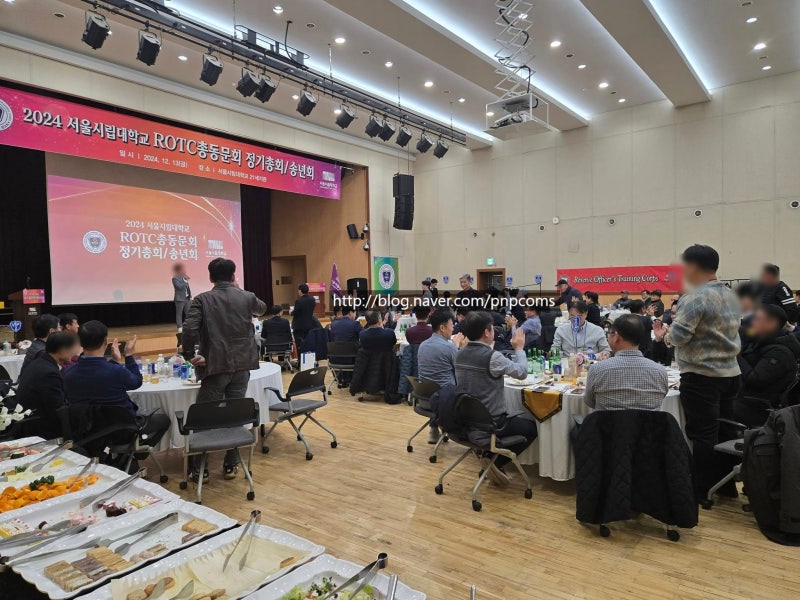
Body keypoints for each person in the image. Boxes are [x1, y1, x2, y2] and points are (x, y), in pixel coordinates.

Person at [653, 244, 741, 502]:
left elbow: (679, 336)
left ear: (692, 266)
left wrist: (665, 336)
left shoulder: (694, 297)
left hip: (702, 376)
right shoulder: (731, 295)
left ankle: (702, 490)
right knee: (726, 431)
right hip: (731, 373)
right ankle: (725, 487)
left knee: (703, 435)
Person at [181, 258, 267, 481]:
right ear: (233, 275)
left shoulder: (202, 299)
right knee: (235, 414)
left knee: (204, 417)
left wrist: (189, 355)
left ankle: (199, 468)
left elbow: (189, 329)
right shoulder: (246, 297)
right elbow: (262, 308)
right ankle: (231, 464)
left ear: (210, 277)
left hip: (215, 365)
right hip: (242, 365)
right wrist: (240, 290)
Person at [64, 321, 170, 458]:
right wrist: (129, 355)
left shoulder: (68, 373)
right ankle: (134, 455)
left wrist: (114, 362)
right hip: (121, 432)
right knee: (163, 420)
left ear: (80, 343)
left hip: (86, 433)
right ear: (105, 342)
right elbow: (136, 382)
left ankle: (125, 457)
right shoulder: (115, 371)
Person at [455, 311, 537, 486]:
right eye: (492, 328)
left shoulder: (459, 353)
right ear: (487, 332)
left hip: (466, 419)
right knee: (532, 428)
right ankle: (496, 461)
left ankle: (489, 457)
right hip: (493, 421)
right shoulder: (493, 357)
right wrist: (519, 349)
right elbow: (522, 372)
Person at [583, 315, 669, 411]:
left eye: (610, 334)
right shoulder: (660, 372)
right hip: (648, 421)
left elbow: (589, 402)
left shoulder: (597, 370)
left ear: (616, 337)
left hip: (608, 421)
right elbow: (662, 398)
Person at [735, 305, 800, 426]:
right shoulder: (762, 339)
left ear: (772, 324)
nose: (752, 322)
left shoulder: (780, 353)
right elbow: (744, 332)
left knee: (709, 405)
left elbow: (755, 379)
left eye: (757, 319)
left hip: (756, 407)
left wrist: (736, 355)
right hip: (745, 398)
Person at [15, 332, 80, 439]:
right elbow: (57, 409)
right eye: (72, 349)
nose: (74, 353)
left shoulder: (40, 363)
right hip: (40, 430)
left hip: (31, 422)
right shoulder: (49, 373)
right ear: (62, 350)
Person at [418, 309, 465, 443]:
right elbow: (460, 370)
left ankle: (434, 429)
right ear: (442, 328)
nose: (453, 328)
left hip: (423, 398)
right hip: (445, 401)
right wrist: (457, 347)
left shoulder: (422, 345)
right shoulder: (449, 347)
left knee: (435, 385)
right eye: (451, 325)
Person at [19, 313, 60, 379]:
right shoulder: (42, 352)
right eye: (59, 328)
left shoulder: (36, 344)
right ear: (52, 331)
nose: (61, 331)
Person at [172, 262, 192, 333]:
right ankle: (180, 327)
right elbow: (179, 287)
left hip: (187, 298)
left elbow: (187, 288)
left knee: (189, 313)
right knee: (179, 313)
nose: (183, 270)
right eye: (182, 269)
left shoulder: (184, 277)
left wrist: (190, 296)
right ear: (178, 270)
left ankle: (189, 326)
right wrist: (185, 281)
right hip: (179, 299)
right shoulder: (175, 278)